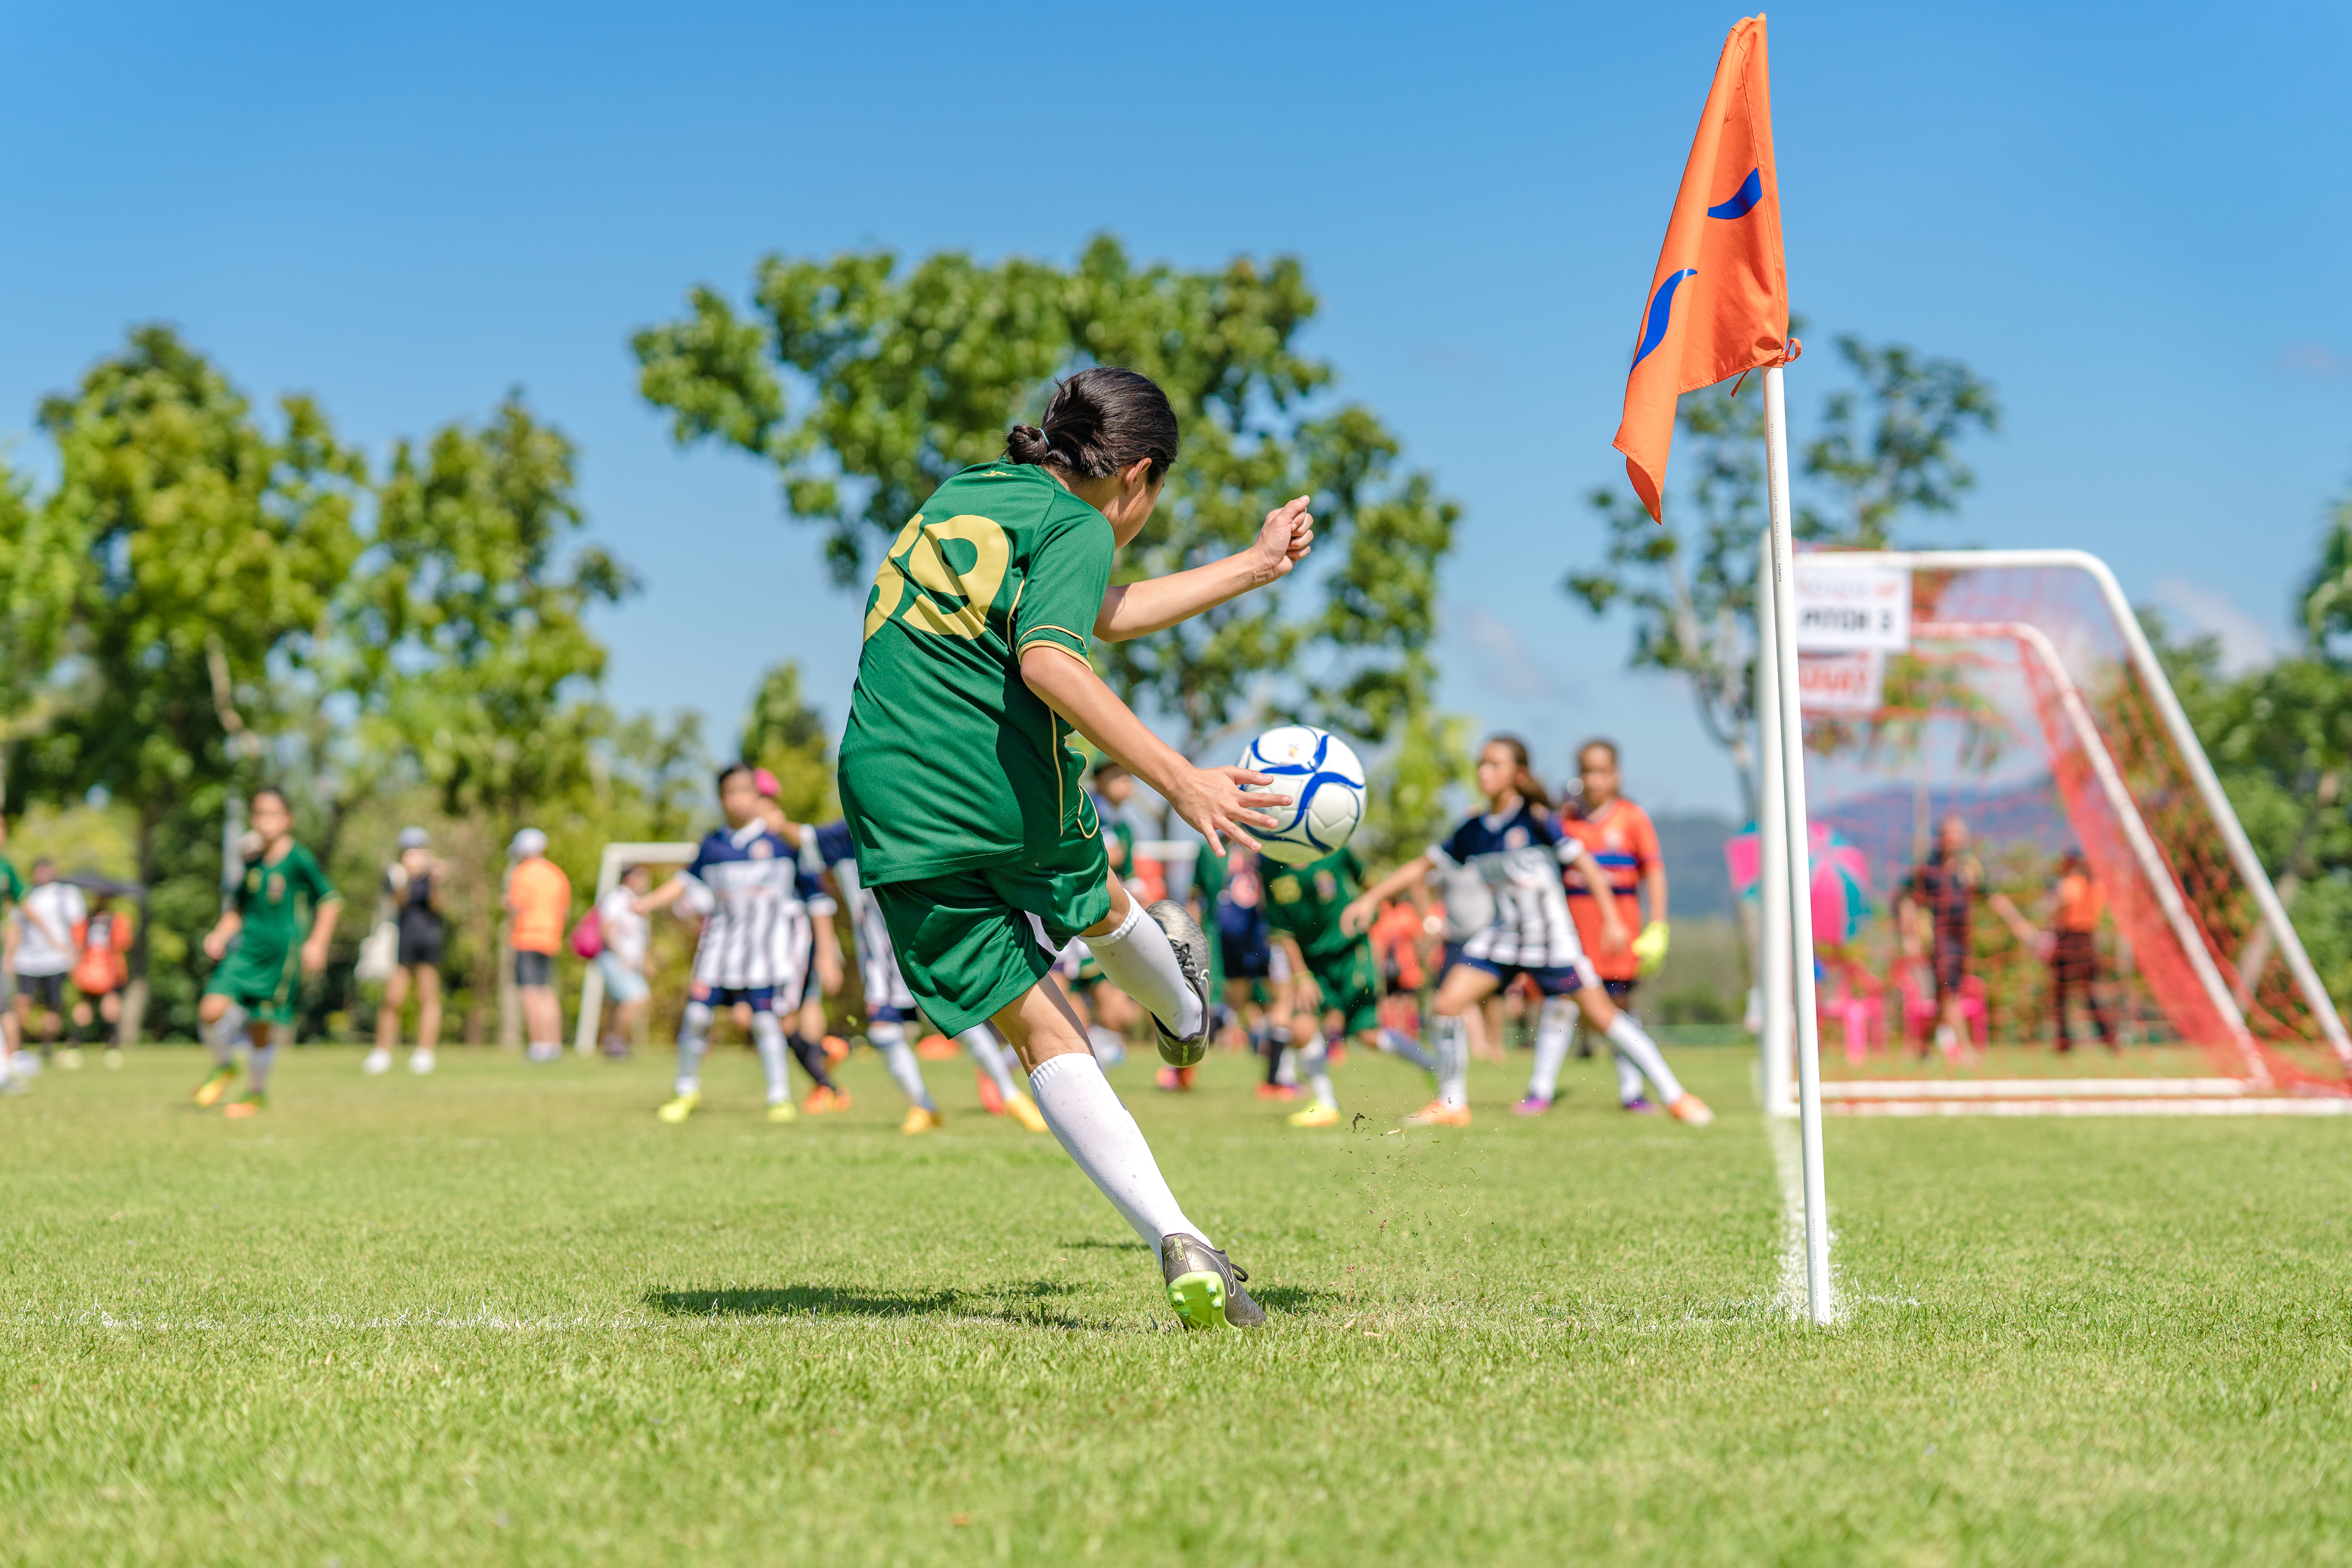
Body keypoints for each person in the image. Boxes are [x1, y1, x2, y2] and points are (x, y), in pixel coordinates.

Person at [838, 366, 1311, 1331]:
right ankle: (1182, 1002)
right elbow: (1051, 656)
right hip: (993, 771)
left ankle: (1176, 1237)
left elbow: (1089, 609)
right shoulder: (1082, 524)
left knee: (1041, 1032)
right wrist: (1182, 778)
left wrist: (1254, 566)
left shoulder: (967, 492)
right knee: (1091, 902)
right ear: (1137, 474)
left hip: (884, 789)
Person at [1343, 736, 1713, 1128]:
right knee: (1446, 1004)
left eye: (1495, 765)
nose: (1484, 772)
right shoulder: (1473, 829)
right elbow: (1421, 866)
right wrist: (1371, 900)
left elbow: (1585, 865)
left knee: (1604, 1016)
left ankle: (1676, 1095)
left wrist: (1612, 919)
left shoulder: (1537, 820)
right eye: (1481, 764)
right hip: (1502, 937)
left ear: (1517, 774)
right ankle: (1452, 1103)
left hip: (1551, 941)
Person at [638, 765, 819, 1123]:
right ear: (721, 799)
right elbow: (683, 883)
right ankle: (685, 1090)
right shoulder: (713, 844)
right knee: (696, 1016)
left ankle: (779, 1097)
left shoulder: (782, 842)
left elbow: (815, 893)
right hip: (719, 954)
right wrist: (646, 903)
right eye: (730, 793)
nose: (738, 800)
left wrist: (825, 950)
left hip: (765, 955)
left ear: (757, 795)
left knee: (766, 1023)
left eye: (744, 791)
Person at [1534, 738, 1675, 1114]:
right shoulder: (1565, 821)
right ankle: (1540, 1088)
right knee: (1562, 1002)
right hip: (1572, 930)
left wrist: (1658, 925)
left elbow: (1654, 871)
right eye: (1587, 772)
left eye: (1602, 772)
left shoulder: (1632, 818)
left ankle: (1633, 1091)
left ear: (1616, 774)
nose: (1595, 780)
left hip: (1618, 931)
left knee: (1618, 1006)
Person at [1263, 846, 1438, 1128]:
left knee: (1367, 1034)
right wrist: (1301, 976)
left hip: (1353, 952)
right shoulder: (1271, 865)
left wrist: (1373, 909)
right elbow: (1282, 931)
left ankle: (1433, 1065)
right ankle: (1325, 1103)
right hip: (1311, 962)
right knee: (1301, 1026)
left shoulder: (1336, 850)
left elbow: (1376, 887)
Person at [194, 787, 342, 1116]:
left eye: (273, 814)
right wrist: (219, 935)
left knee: (261, 1025)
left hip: (281, 957)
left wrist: (317, 943)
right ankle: (224, 1065)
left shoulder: (298, 858)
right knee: (210, 1009)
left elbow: (330, 900)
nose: (266, 821)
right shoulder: (251, 861)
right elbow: (238, 909)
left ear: (287, 819)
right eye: (259, 814)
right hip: (247, 950)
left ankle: (255, 1093)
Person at [1899, 815, 1985, 1062]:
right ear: (1941, 837)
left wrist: (2020, 926)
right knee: (1951, 994)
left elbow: (1990, 895)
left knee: (1943, 996)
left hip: (1962, 939)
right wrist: (1910, 936)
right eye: (1951, 833)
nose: (1955, 838)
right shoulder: (1928, 870)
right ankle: (1966, 1050)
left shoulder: (1968, 868)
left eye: (1959, 833)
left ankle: (1923, 1048)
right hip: (1939, 939)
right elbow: (1909, 901)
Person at [368, 827, 447, 1076]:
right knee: (393, 997)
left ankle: (425, 1052)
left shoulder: (433, 876)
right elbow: (398, 903)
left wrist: (434, 880)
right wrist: (406, 879)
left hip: (429, 939)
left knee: (428, 996)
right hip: (401, 939)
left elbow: (438, 907)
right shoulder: (395, 875)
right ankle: (382, 1052)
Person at [504, 828, 571, 1062]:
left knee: (531, 993)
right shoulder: (557, 874)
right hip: (551, 938)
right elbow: (564, 911)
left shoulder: (522, 873)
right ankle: (554, 1044)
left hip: (526, 937)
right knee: (547, 992)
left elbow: (516, 907)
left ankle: (538, 1045)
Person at [2043, 849, 2117, 1051]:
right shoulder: (2097, 886)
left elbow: (2058, 908)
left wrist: (2049, 921)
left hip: (2069, 941)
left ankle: (2064, 1041)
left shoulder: (2070, 884)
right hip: (2089, 941)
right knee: (2091, 994)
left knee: (2061, 996)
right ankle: (2109, 1037)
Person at [14, 861, 85, 1070]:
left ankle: (47, 1047)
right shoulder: (26, 895)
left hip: (56, 960)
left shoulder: (66, 894)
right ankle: (17, 1048)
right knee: (22, 1004)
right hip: (27, 960)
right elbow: (16, 927)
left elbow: (78, 923)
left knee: (52, 1007)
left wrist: (77, 952)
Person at [68, 890, 133, 1068]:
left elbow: (124, 943)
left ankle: (112, 1046)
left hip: (112, 972)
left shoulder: (117, 921)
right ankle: (75, 1045)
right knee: (84, 1009)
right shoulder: (86, 921)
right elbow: (78, 943)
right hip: (88, 971)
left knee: (111, 1009)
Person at [595, 863, 654, 1056]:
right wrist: (620, 956)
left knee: (618, 1003)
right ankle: (617, 1043)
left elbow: (638, 937)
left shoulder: (635, 901)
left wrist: (645, 961)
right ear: (630, 878)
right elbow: (607, 929)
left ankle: (612, 1043)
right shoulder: (616, 899)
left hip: (629, 961)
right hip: (616, 958)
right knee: (636, 999)